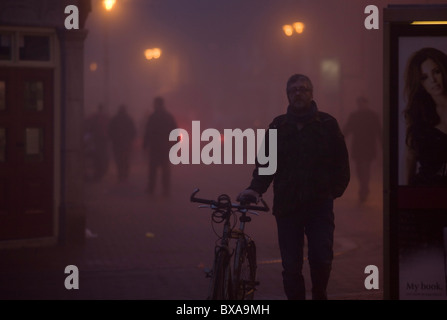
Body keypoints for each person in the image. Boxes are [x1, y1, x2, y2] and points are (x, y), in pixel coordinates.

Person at [237, 74, 350, 300]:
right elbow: (265, 167)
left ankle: (320, 293)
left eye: (303, 89)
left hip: (319, 206)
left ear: (311, 93)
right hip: (287, 208)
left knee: (321, 257)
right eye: (293, 90)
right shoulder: (278, 126)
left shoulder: (327, 124)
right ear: (288, 95)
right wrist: (254, 189)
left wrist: (332, 191)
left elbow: (341, 164)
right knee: (291, 266)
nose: (298, 93)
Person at [403, 47, 447, 186]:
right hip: (426, 193)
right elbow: (410, 157)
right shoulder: (418, 114)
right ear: (420, 83)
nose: (433, 80)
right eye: (425, 77)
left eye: (437, 72)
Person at [343, 96, 382, 202]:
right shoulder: (359, 116)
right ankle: (364, 187)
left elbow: (379, 132)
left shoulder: (370, 116)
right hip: (361, 146)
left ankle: (363, 189)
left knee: (364, 168)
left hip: (365, 147)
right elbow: (347, 130)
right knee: (360, 169)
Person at [143, 96, 178, 196]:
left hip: (155, 146)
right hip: (165, 146)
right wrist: (175, 144)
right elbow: (174, 130)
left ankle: (151, 188)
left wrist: (145, 144)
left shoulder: (153, 116)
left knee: (153, 169)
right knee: (165, 168)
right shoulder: (168, 116)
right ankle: (166, 189)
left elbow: (148, 131)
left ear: (157, 104)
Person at [108, 105, 137, 183]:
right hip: (127, 143)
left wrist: (113, 139)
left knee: (119, 160)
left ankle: (120, 175)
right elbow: (133, 131)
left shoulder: (114, 119)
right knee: (126, 159)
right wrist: (130, 140)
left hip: (117, 143)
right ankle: (125, 175)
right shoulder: (129, 119)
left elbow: (110, 131)